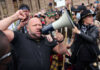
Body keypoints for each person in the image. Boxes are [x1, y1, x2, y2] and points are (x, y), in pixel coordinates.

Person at [0, 9, 64, 70]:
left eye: (39, 25)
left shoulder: (47, 39)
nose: (38, 27)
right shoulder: (19, 37)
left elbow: (61, 51)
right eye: (35, 25)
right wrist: (15, 17)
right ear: (28, 29)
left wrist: (61, 41)